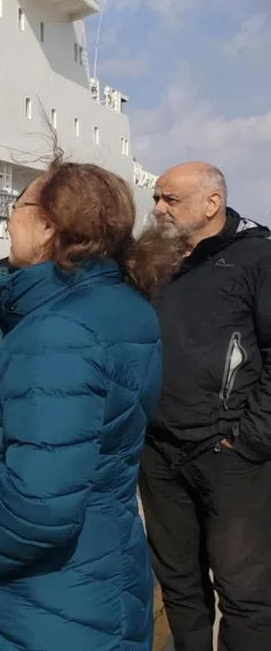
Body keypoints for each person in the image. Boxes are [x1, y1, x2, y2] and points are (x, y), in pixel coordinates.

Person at [0, 159, 172, 651]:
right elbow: (9, 385)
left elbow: (37, 509)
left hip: (43, 601)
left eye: (17, 206)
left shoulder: (58, 332)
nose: (10, 218)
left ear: (48, 226)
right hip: (99, 570)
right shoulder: (119, 307)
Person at [139, 161, 271, 651]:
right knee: (179, 585)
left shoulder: (257, 256)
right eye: (157, 198)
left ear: (212, 203)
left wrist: (248, 438)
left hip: (230, 458)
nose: (157, 208)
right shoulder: (158, 261)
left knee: (245, 593)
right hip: (159, 454)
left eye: (170, 199)